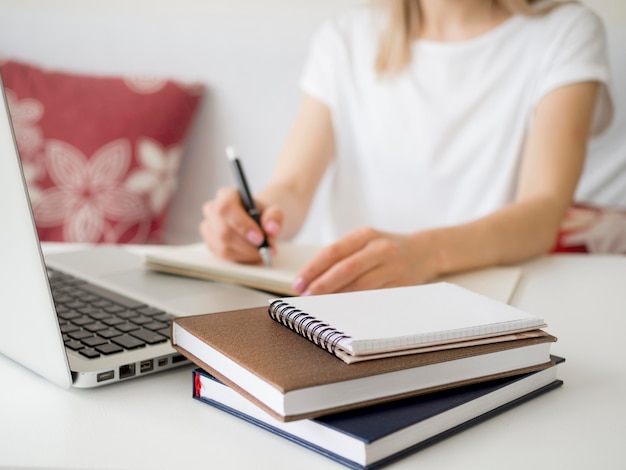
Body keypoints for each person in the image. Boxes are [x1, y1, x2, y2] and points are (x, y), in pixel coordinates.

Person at [200, 0, 614, 296]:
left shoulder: (565, 30)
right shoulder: (346, 37)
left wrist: (423, 253)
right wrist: (250, 219)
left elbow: (542, 211)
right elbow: (291, 186)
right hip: (345, 298)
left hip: (487, 298)